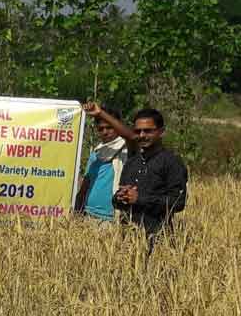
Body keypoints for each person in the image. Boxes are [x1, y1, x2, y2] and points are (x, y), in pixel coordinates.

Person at [83, 103, 188, 243]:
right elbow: (119, 201)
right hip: (127, 239)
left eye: (148, 131)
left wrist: (140, 199)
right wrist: (120, 197)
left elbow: (178, 202)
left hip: (157, 239)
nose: (142, 135)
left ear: (161, 132)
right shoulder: (132, 162)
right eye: (138, 131)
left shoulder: (171, 162)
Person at [75, 105, 127, 222]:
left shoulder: (125, 150)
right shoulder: (96, 153)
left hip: (110, 218)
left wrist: (100, 113)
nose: (105, 132)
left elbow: (131, 136)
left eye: (109, 127)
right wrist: (77, 210)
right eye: (101, 129)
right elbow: (86, 183)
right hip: (89, 214)